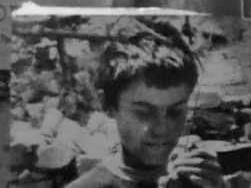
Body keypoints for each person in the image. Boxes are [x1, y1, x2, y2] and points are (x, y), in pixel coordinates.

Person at [66, 26, 225, 188]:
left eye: (175, 111)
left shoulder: (198, 180)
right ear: (108, 105)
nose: (161, 129)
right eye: (144, 113)